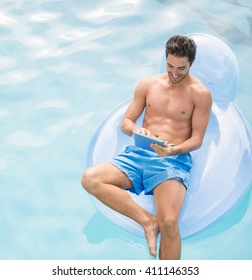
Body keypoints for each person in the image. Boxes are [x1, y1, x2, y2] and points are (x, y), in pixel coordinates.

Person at [81, 35, 212, 260]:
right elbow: (126, 122)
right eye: (170, 65)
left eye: (181, 68)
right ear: (165, 59)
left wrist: (174, 149)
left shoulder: (200, 94)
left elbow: (197, 139)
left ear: (191, 63)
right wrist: (135, 130)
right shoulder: (148, 84)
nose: (175, 72)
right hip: (138, 154)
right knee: (90, 179)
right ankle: (147, 222)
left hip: (172, 159)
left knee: (170, 222)